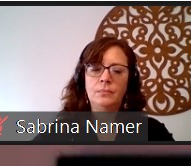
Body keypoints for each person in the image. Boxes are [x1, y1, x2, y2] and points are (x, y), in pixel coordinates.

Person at [40, 36, 175, 141]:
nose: (105, 78)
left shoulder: (154, 132)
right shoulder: (59, 132)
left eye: (117, 71)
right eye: (95, 69)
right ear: (81, 78)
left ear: (130, 81)